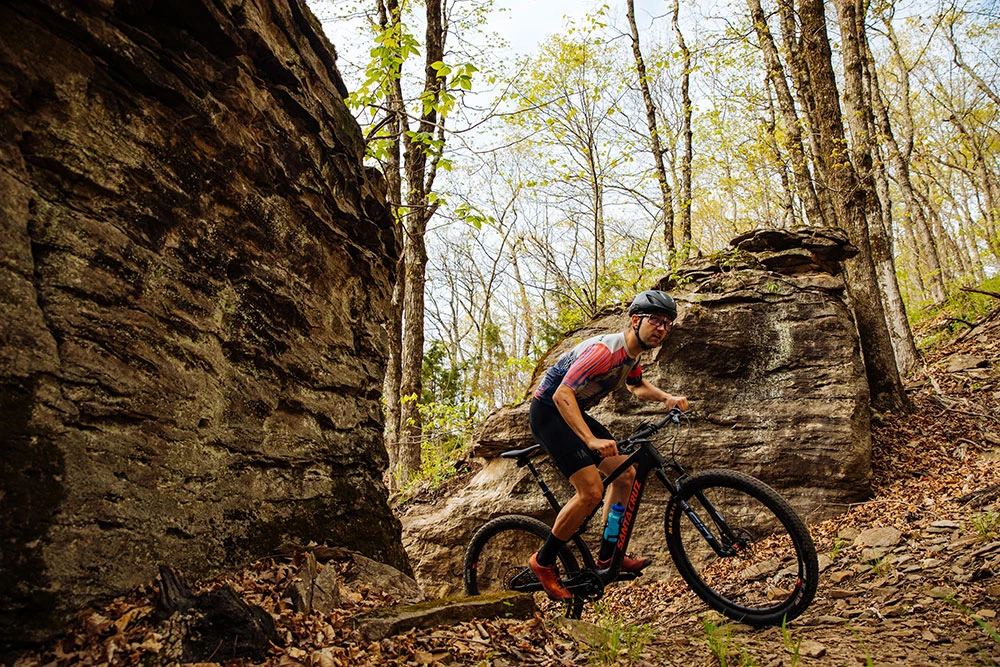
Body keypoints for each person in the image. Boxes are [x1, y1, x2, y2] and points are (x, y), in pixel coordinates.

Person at [528, 289, 689, 600]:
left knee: (625, 474)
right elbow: (562, 394)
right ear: (635, 320)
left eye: (667, 323)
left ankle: (608, 556)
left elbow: (636, 385)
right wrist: (590, 440)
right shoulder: (604, 352)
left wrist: (667, 398)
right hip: (549, 413)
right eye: (656, 320)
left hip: (571, 411)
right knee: (591, 492)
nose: (662, 328)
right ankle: (543, 561)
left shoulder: (632, 355)